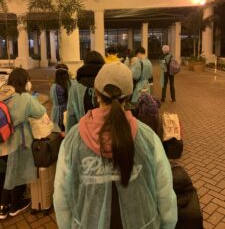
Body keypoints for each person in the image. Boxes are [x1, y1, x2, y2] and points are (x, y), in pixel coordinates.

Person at [54, 62, 177, 229]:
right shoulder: (148, 137)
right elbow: (165, 194)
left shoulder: (72, 140)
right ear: (128, 96)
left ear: (96, 94)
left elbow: (62, 197)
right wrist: (167, 224)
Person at [0, 68, 46, 219]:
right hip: (18, 140)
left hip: (2, 139)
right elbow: (40, 111)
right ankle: (15, 205)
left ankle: (3, 207)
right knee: (17, 173)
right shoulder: (24, 98)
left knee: (6, 173)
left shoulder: (2, 93)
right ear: (24, 82)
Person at [66, 51, 105, 132]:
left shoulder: (75, 87)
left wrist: (69, 136)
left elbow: (71, 114)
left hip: (83, 134)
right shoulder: (107, 83)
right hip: (106, 134)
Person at [50, 64, 72, 132]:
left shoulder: (54, 87)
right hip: (69, 114)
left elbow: (52, 99)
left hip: (58, 115)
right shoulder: (71, 84)